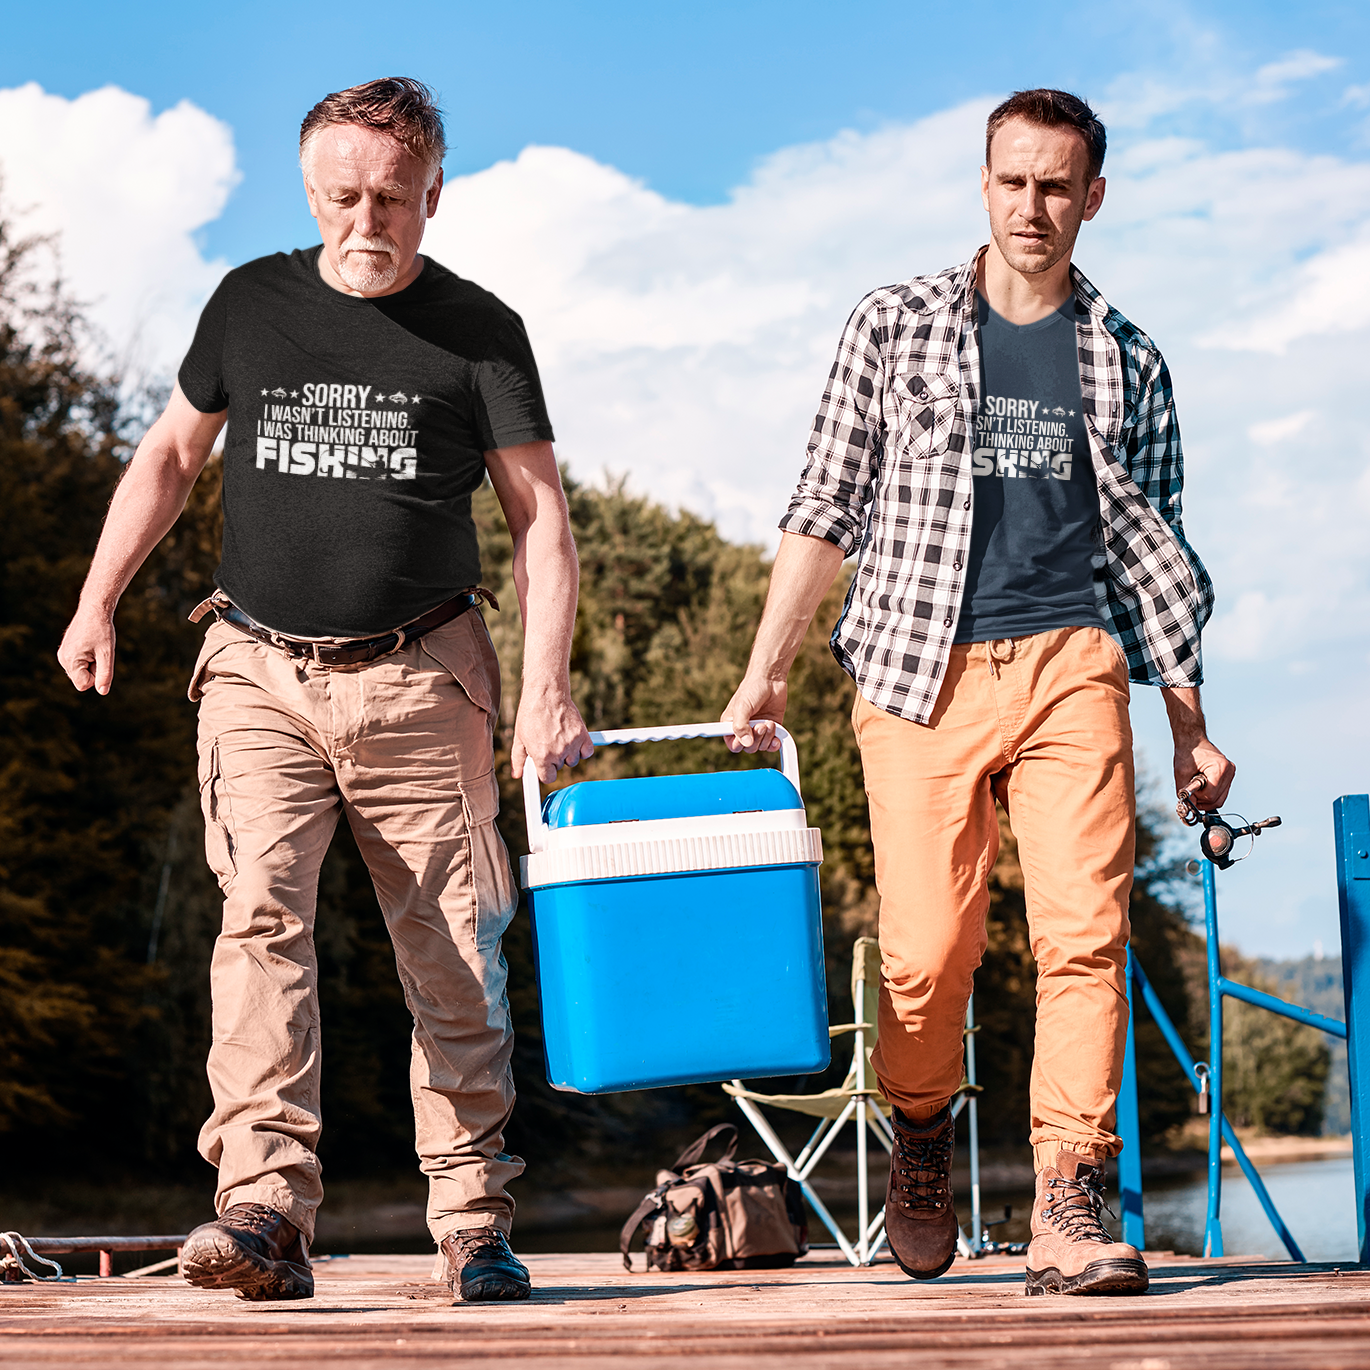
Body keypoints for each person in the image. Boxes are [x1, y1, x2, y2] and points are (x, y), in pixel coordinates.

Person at [56, 77, 593, 1304]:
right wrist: (95, 599)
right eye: (342, 197)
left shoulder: (481, 330)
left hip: (423, 674)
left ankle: (470, 1217)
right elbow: (171, 456)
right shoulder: (248, 302)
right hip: (254, 667)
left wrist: (547, 685)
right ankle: (262, 1212)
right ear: (309, 191)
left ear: (433, 195)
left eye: (392, 200)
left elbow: (539, 519)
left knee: (453, 950)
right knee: (258, 926)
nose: (366, 222)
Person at [723, 88, 1234, 1297]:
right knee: (925, 950)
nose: (1032, 206)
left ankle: (1069, 1196)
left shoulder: (1127, 358)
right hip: (915, 665)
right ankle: (917, 1126)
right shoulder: (892, 326)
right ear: (983, 182)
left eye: (1057, 185)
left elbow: (1154, 557)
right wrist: (763, 668)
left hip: (1072, 666)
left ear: (1091, 197)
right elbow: (820, 505)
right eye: (1012, 181)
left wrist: (1191, 731)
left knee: (1082, 937)